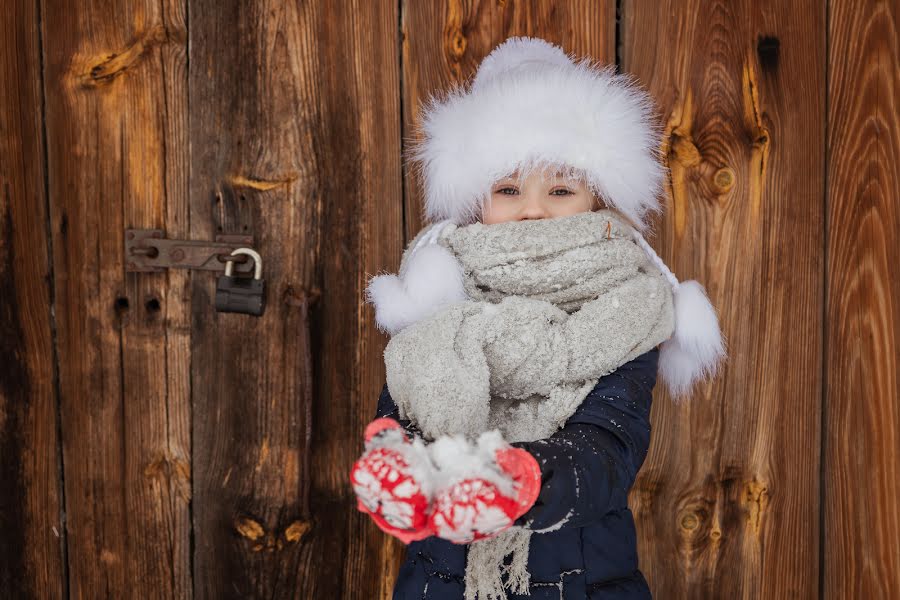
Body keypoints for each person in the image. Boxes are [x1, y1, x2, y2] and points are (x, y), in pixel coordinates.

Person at [350, 37, 727, 600]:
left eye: (560, 188)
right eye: (507, 189)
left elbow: (607, 445)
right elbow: (405, 407)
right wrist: (404, 466)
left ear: (597, 200)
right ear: (478, 204)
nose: (532, 208)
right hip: (443, 581)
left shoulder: (623, 307)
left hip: (580, 581)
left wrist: (518, 478)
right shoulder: (442, 303)